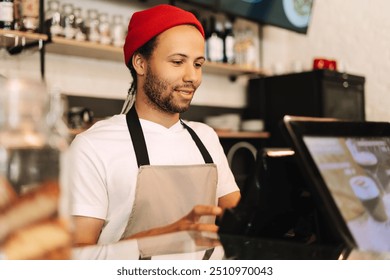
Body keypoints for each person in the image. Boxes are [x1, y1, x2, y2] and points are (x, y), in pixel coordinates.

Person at [68, 4, 240, 247]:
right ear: (140, 63)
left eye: (198, 64)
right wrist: (169, 235)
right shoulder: (92, 146)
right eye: (178, 62)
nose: (192, 76)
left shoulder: (206, 137)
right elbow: (78, 256)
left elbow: (243, 220)